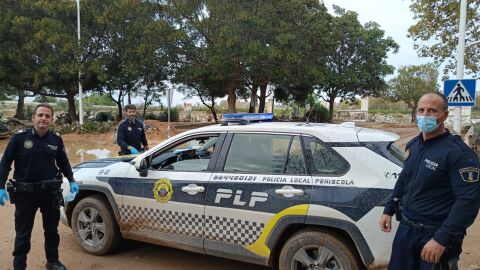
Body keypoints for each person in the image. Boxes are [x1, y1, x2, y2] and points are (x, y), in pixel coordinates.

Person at [380, 92, 480, 270]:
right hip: (407, 229)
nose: (425, 115)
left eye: (432, 110)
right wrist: (389, 208)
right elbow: (405, 178)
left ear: (445, 115)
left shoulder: (459, 153)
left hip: (435, 235)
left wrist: (441, 239)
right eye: (421, 110)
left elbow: (468, 201)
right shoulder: (414, 144)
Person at [0, 104, 79, 270]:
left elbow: (63, 162)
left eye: (47, 116)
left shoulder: (56, 139)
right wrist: (0, 186)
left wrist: (72, 180)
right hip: (25, 193)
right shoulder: (19, 138)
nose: (43, 118)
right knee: (23, 233)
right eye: (40, 115)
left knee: (52, 231)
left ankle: (52, 261)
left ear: (51, 119)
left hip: (49, 193)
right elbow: (5, 163)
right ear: (33, 118)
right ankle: (19, 265)